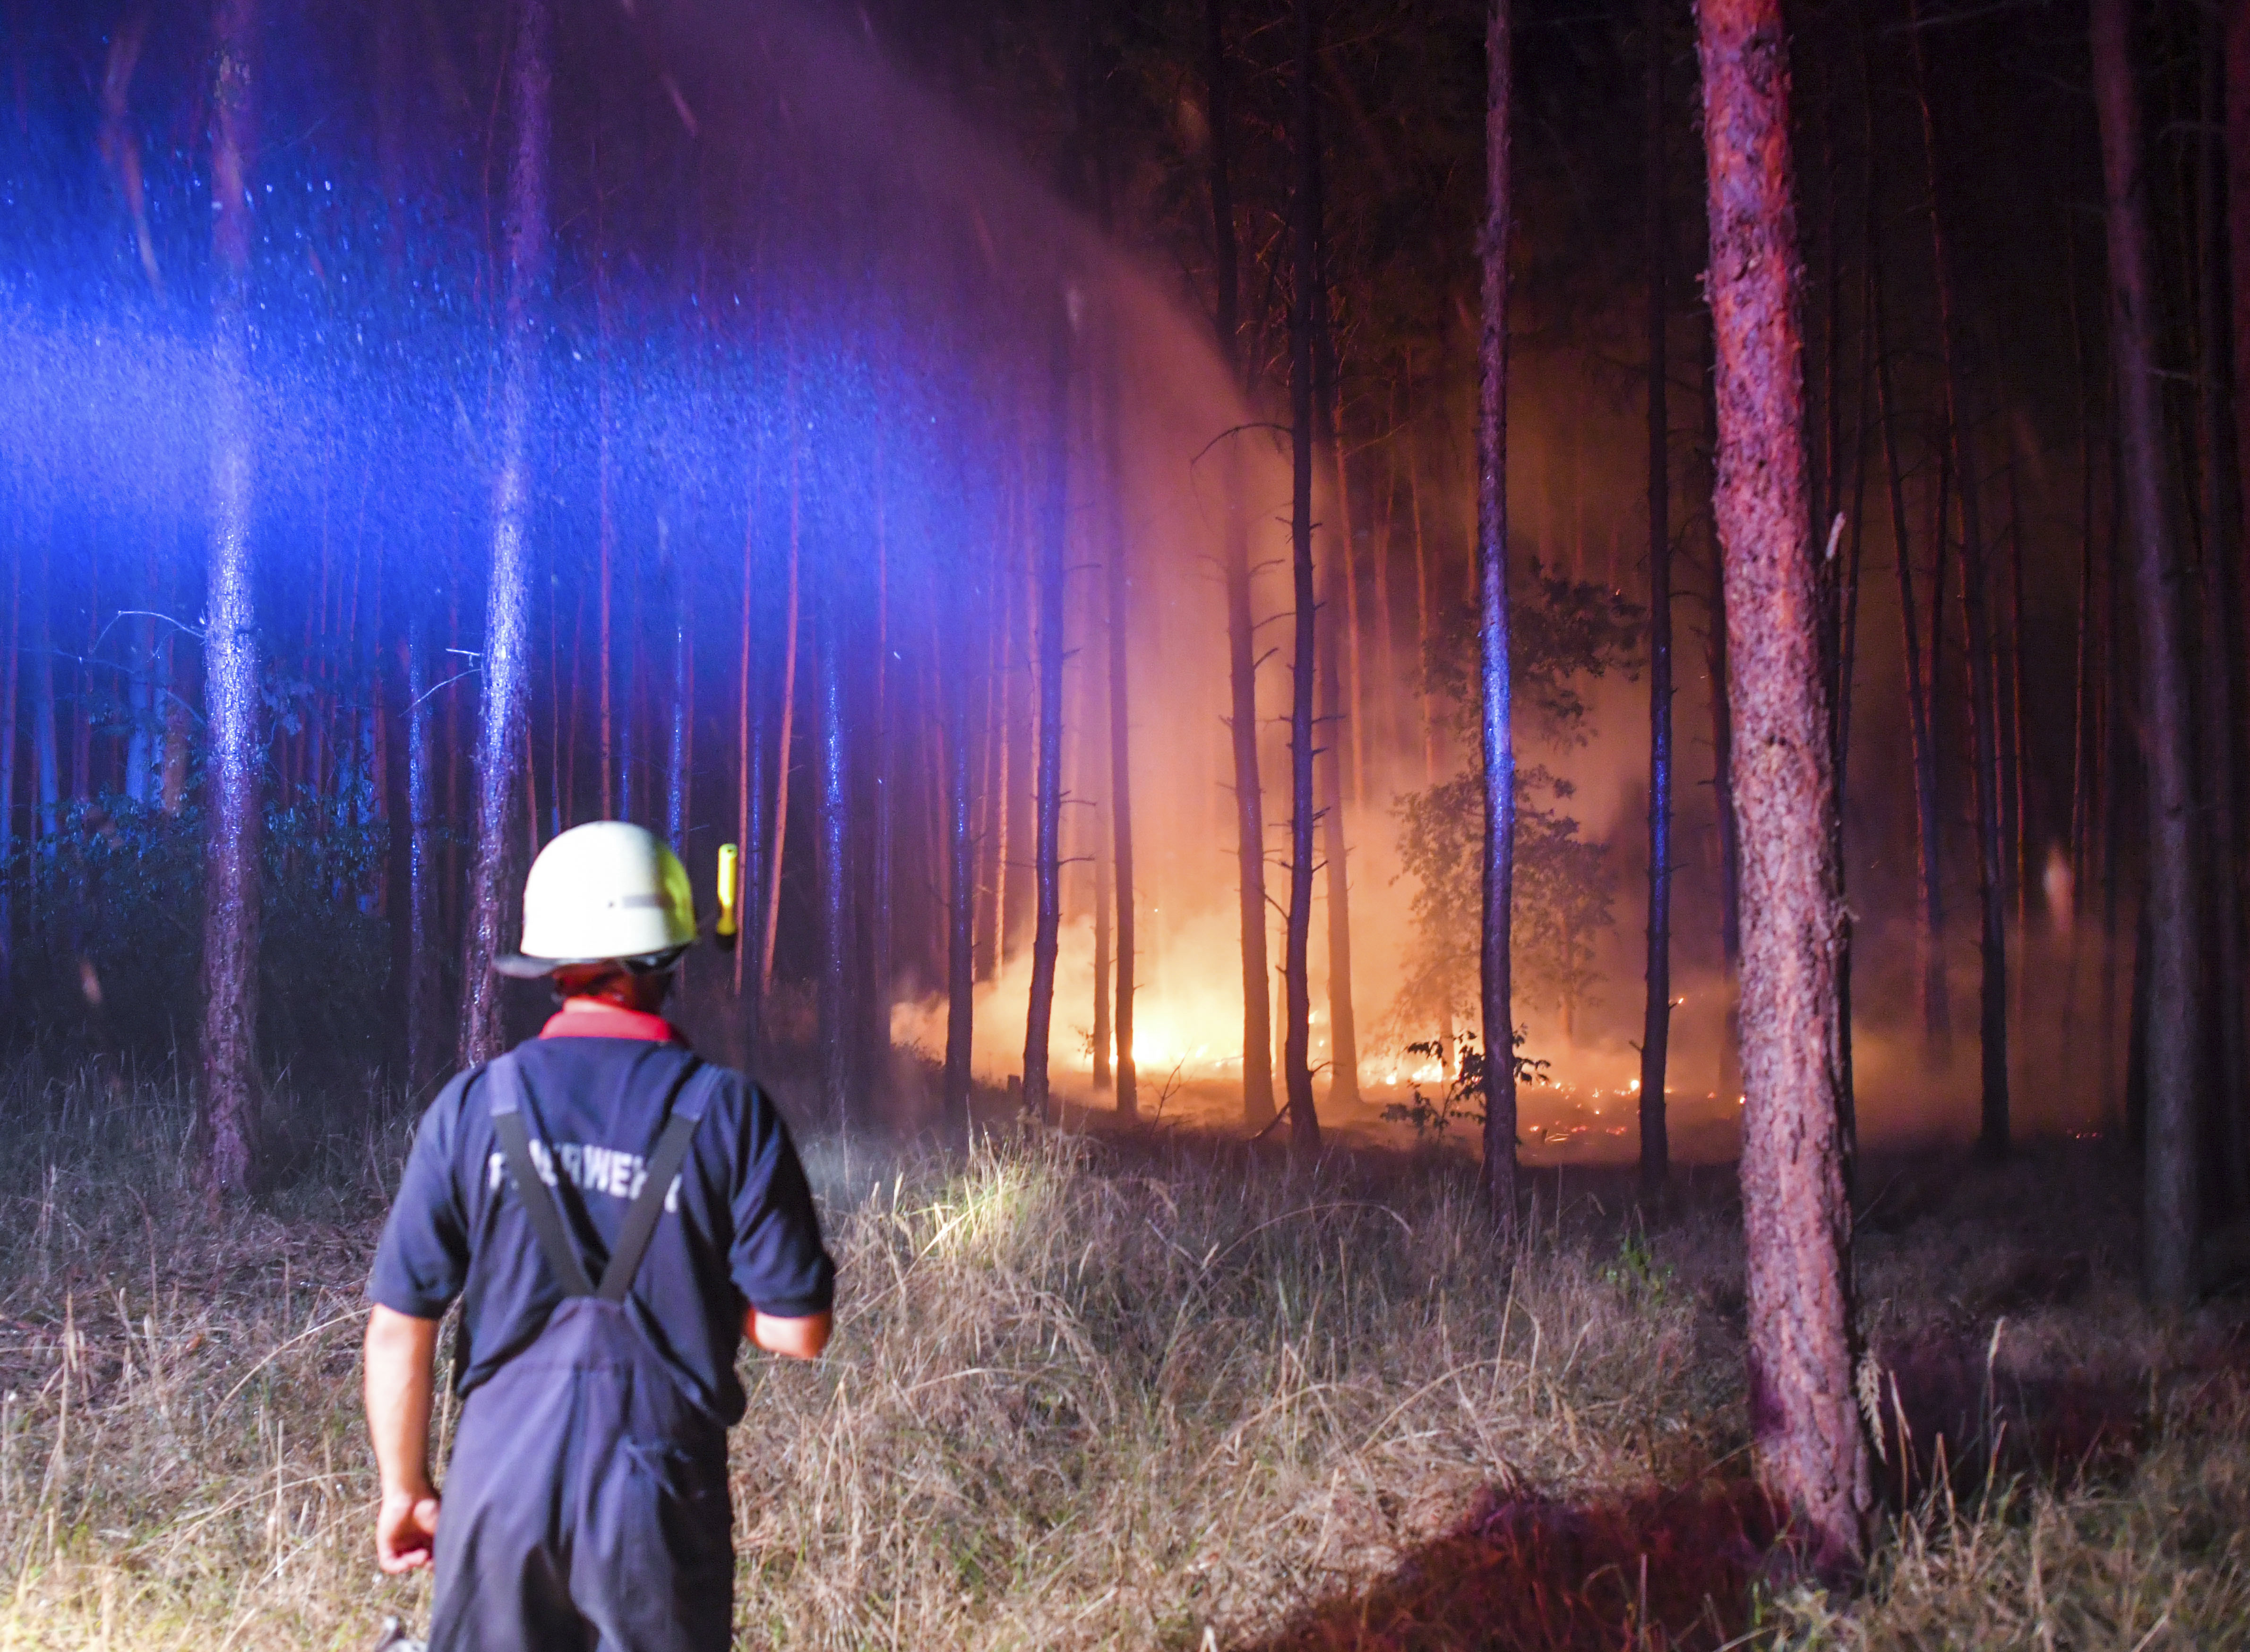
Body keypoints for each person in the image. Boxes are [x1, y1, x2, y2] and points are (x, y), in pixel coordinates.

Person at [364, 821, 834, 1652]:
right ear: (669, 954)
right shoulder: (727, 1111)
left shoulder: (478, 1105)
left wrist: (404, 1489)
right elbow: (796, 1331)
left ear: (550, 963)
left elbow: (402, 1325)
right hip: (659, 1498)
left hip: (495, 1493)